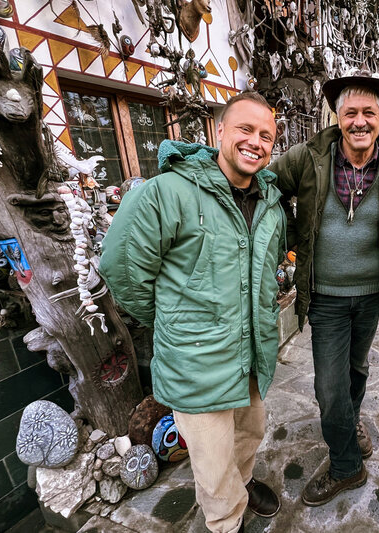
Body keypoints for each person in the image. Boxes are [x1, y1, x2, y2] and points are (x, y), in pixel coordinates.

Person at [99, 91, 285, 533]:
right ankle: (226, 521)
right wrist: (174, 322)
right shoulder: (167, 192)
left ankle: (243, 484)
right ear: (220, 130)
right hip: (197, 361)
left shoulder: (270, 203)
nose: (255, 142)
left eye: (266, 135)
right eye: (245, 129)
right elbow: (121, 267)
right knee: (212, 460)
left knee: (249, 432)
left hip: (252, 354)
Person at [269, 70, 379, 506]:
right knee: (329, 387)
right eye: (350, 112)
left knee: (356, 369)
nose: (359, 121)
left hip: (371, 294)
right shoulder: (309, 157)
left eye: (369, 112)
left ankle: (349, 424)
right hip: (326, 295)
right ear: (337, 115)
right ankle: (347, 466)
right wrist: (292, 235)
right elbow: (268, 186)